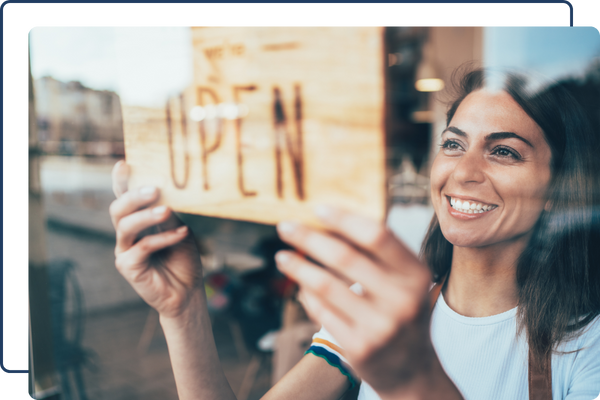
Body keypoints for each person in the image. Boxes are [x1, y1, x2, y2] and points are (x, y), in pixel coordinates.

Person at [109, 65, 600, 400]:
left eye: (504, 151)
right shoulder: (377, 307)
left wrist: (413, 376)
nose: (463, 171)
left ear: (558, 186)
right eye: (454, 144)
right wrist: (183, 309)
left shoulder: (586, 347)